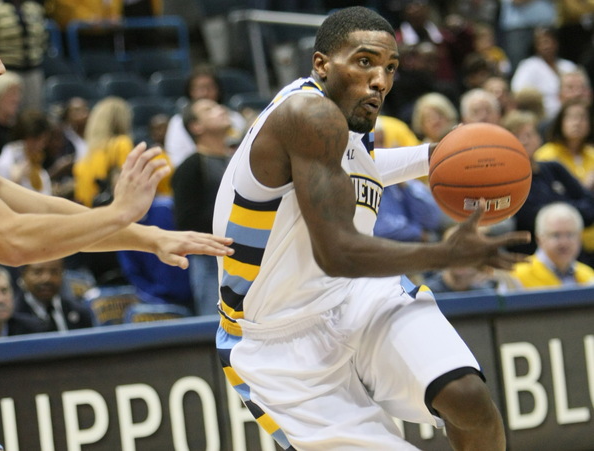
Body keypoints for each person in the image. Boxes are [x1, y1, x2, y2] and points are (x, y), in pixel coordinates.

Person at [213, 7, 529, 450]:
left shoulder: (347, 119)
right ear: (321, 64)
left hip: (354, 294)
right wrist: (445, 253)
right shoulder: (307, 114)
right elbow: (338, 252)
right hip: (276, 337)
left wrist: (432, 156)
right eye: (365, 62)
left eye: (390, 67)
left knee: (467, 399)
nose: (381, 79)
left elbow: (352, 167)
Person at [0, 3, 232, 450]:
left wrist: (149, 236)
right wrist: (117, 213)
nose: (0, 68)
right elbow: (11, 240)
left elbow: (41, 212)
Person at [502, 109, 594, 261]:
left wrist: (554, 210)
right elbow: (530, 218)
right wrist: (570, 208)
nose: (525, 141)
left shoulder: (554, 168)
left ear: (539, 138)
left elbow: (590, 206)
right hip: (530, 257)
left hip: (576, 256)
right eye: (518, 136)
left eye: (529, 135)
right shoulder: (506, 181)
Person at [172, 98, 233, 316]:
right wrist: (232, 223)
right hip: (210, 262)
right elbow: (186, 220)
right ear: (195, 126)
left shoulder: (237, 159)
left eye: (218, 105)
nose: (220, 109)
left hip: (244, 255)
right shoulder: (191, 167)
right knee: (216, 326)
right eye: (209, 109)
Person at [163, 64, 247, 168]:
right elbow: (177, 162)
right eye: (199, 88)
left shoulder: (234, 118)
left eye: (210, 87)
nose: (205, 93)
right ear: (195, 126)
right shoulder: (177, 122)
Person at [0, 0, 48, 112]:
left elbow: (42, 39)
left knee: (33, 112)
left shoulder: (34, 9)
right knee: (6, 112)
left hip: (33, 71)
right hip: (7, 71)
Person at [510, 202, 594, 289]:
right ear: (539, 239)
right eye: (556, 235)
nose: (564, 243)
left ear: (579, 237)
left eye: (570, 234)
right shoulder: (517, 276)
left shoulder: (589, 277)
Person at [510, 26, 578, 119]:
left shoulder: (568, 66)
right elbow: (517, 92)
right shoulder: (528, 66)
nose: (546, 46)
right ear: (536, 46)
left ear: (556, 43)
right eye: (541, 43)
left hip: (570, 114)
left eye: (549, 41)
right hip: (541, 116)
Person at [15, 259, 94, 331]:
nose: (47, 279)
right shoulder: (13, 315)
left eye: (54, 272)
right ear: (23, 275)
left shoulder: (79, 312)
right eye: (38, 272)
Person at [0, 109, 53, 194]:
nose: (40, 145)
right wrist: (15, 180)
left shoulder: (35, 160)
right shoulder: (5, 163)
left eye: (43, 140)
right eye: (35, 140)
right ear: (24, 136)